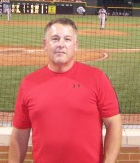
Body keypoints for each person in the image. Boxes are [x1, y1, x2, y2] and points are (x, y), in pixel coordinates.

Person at [8, 18, 122, 163]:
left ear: (76, 45)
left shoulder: (97, 78)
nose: (61, 44)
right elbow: (19, 134)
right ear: (45, 44)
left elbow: (114, 124)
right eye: (55, 39)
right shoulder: (28, 83)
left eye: (67, 39)